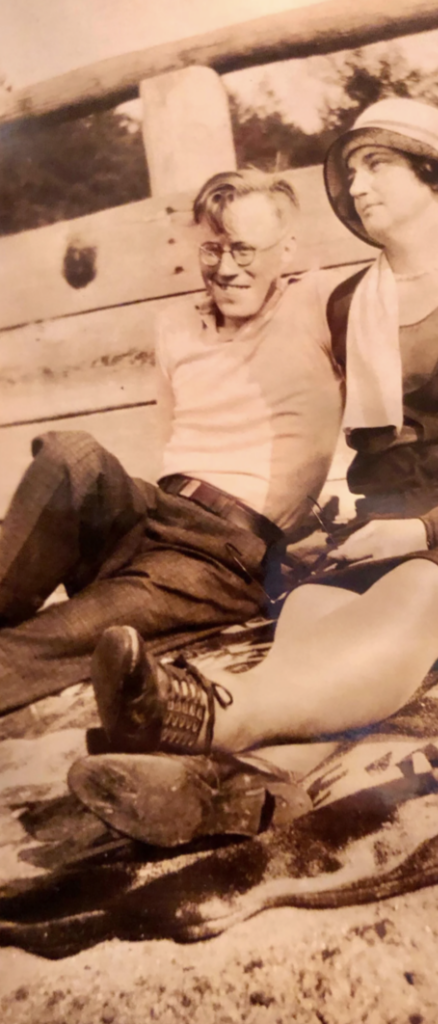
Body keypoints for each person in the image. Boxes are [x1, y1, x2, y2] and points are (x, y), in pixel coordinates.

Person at [71, 99, 438, 844]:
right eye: (351, 171)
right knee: (309, 612)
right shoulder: (348, 304)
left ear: (435, 175)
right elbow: (279, 368)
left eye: (378, 164)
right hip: (397, 524)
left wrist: (422, 530)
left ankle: (207, 713)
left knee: (420, 589)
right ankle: (230, 788)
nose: (358, 185)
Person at [0, 169, 343, 715]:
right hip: (151, 514)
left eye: (246, 250)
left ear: (289, 248)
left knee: (48, 640)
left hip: (221, 556)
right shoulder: (174, 324)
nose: (226, 269)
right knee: (72, 453)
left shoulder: (320, 304)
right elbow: (171, 436)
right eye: (213, 249)